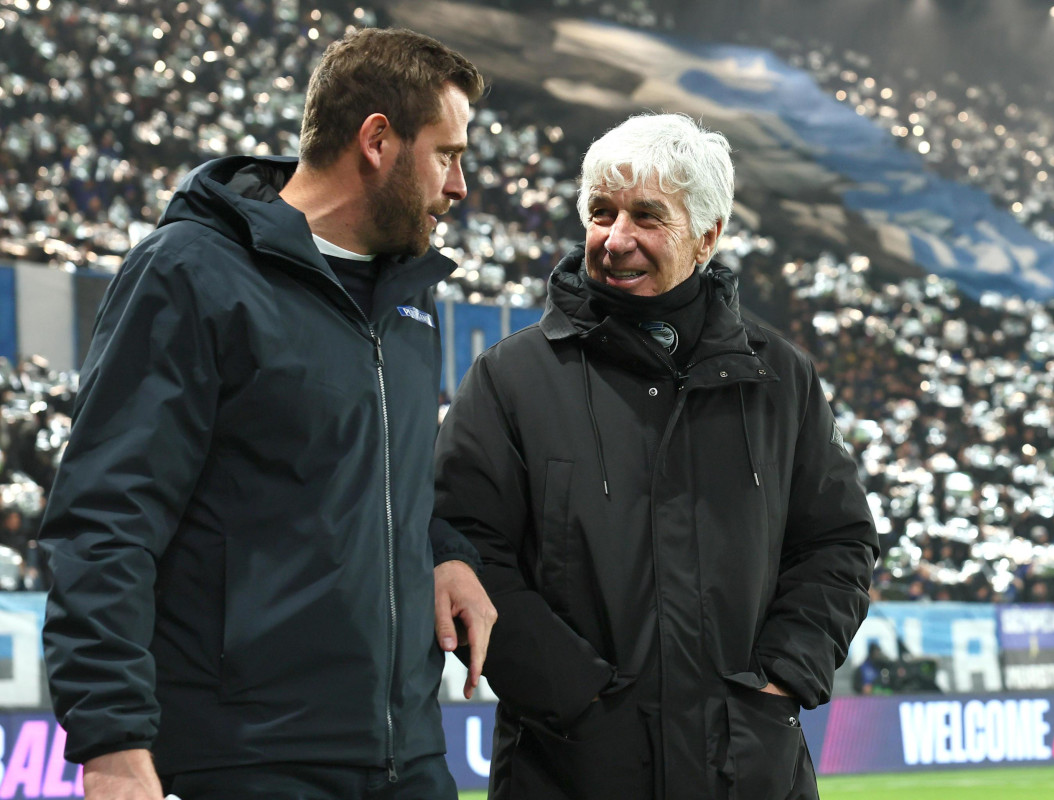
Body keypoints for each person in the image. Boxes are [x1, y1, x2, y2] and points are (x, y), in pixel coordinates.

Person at [38, 27, 496, 800]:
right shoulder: (190, 272)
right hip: (250, 757)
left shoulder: (413, 300)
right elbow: (106, 517)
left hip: (407, 753)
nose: (458, 188)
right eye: (447, 156)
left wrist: (444, 551)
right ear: (377, 140)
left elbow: (381, 479)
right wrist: (112, 739)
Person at [434, 113, 879, 800]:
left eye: (647, 217)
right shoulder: (510, 379)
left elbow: (838, 541)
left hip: (748, 769)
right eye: (601, 212)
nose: (616, 240)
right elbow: (462, 546)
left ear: (709, 235)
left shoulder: (782, 379)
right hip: (570, 771)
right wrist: (578, 699)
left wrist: (783, 672)